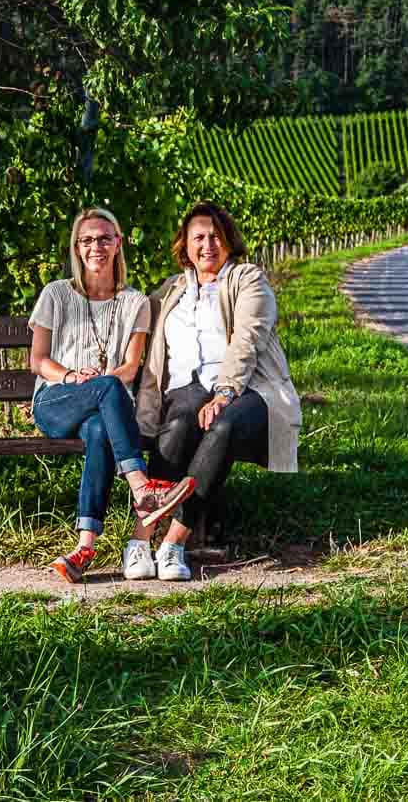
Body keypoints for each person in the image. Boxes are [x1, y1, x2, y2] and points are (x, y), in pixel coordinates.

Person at [131, 202, 302, 581]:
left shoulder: (247, 279)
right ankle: (140, 540)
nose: (207, 244)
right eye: (198, 237)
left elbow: (246, 339)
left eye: (215, 236)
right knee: (176, 424)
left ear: (228, 240)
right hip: (186, 391)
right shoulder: (168, 291)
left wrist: (224, 393)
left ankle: (174, 542)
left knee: (220, 426)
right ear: (184, 245)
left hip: (247, 391)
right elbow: (129, 324)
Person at [29, 207, 195, 584]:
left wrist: (101, 381)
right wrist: (72, 377)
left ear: (118, 243)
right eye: (87, 240)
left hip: (106, 406)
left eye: (105, 238)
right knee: (105, 387)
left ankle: (84, 546)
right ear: (76, 247)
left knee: (102, 429)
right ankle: (142, 488)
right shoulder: (56, 294)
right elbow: (38, 360)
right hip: (57, 401)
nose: (96, 246)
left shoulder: (135, 302)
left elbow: (130, 368)